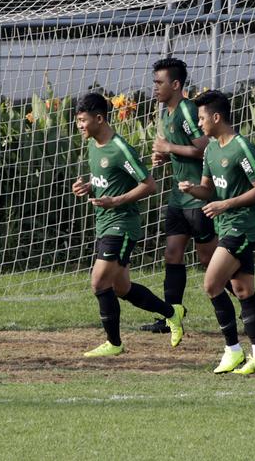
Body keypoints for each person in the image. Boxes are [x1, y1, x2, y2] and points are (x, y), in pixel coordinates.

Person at [72, 93, 185, 357]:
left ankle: (114, 343)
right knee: (121, 288)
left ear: (99, 118)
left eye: (82, 120)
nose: (79, 126)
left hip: (122, 224)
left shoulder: (120, 148)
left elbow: (149, 184)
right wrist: (88, 187)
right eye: (77, 121)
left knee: (99, 282)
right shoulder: (93, 144)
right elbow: (106, 179)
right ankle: (172, 313)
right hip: (105, 223)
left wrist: (117, 201)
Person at [178, 89, 255, 374]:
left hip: (243, 226)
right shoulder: (210, 149)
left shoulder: (241, 147)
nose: (199, 124)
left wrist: (226, 204)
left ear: (217, 117)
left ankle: (232, 350)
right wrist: (193, 189)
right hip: (226, 225)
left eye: (202, 117)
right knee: (243, 290)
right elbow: (208, 190)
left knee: (211, 284)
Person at [141, 58, 217, 333]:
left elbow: (204, 147)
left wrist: (169, 147)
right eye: (154, 82)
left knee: (210, 260)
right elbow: (178, 149)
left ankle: (244, 301)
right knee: (172, 255)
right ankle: (171, 316)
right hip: (178, 196)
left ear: (176, 84)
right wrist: (163, 155)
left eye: (159, 82)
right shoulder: (167, 114)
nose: (155, 88)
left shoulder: (187, 110)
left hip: (197, 196)